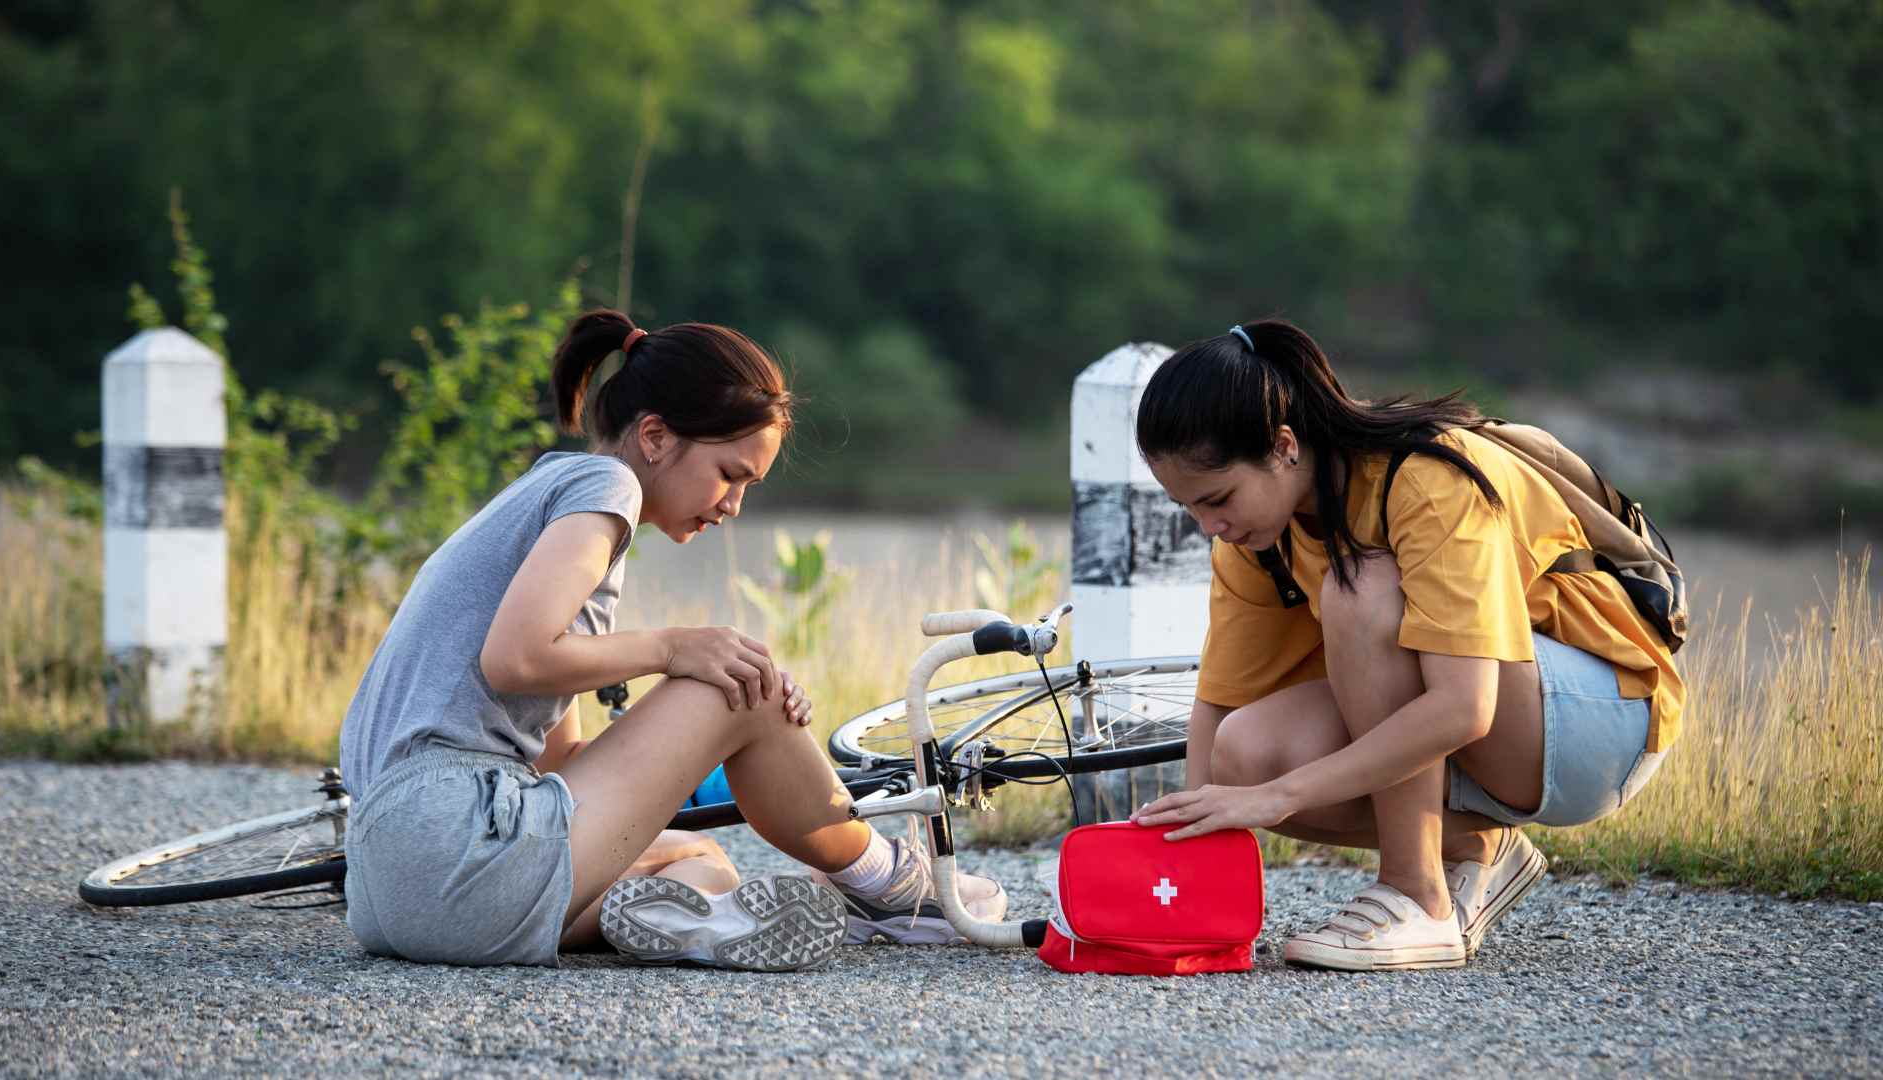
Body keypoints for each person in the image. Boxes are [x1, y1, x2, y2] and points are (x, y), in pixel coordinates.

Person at [338, 309, 1004, 971]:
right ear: (655, 436)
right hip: (455, 839)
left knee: (701, 861)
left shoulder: (549, 497)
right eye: (729, 474)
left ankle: (696, 920)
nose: (733, 505)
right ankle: (889, 888)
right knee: (738, 683)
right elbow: (514, 659)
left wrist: (698, 746)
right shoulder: (606, 485)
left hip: (395, 891)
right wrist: (688, 661)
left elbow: (558, 762)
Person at [1129, 319, 1682, 971]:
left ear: (1283, 446)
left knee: (1360, 586)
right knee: (1243, 759)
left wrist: (1282, 798)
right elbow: (1218, 708)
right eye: (1188, 507)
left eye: (1217, 499)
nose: (1208, 528)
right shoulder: (1254, 532)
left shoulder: (1424, 476)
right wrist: (1186, 862)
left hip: (1599, 720)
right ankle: (1477, 850)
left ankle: (1418, 895)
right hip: (1489, 719)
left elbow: (1463, 708)